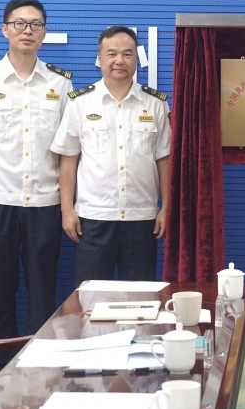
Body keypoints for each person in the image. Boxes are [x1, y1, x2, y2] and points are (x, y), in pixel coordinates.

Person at [0, 0, 74, 370]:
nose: (28, 30)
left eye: (36, 25)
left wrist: (67, 205)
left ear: (44, 32)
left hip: (45, 203)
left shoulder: (60, 83)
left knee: (43, 294)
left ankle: (39, 370)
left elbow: (68, 150)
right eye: (20, 24)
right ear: (5, 29)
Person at [51, 26, 171, 282]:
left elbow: (164, 159)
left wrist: (166, 207)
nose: (119, 60)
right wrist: (67, 210)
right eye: (112, 53)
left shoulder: (156, 103)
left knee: (139, 297)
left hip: (142, 217)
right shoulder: (80, 102)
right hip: (93, 218)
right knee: (91, 297)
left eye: (127, 54)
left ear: (136, 59)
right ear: (99, 58)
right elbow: (68, 159)